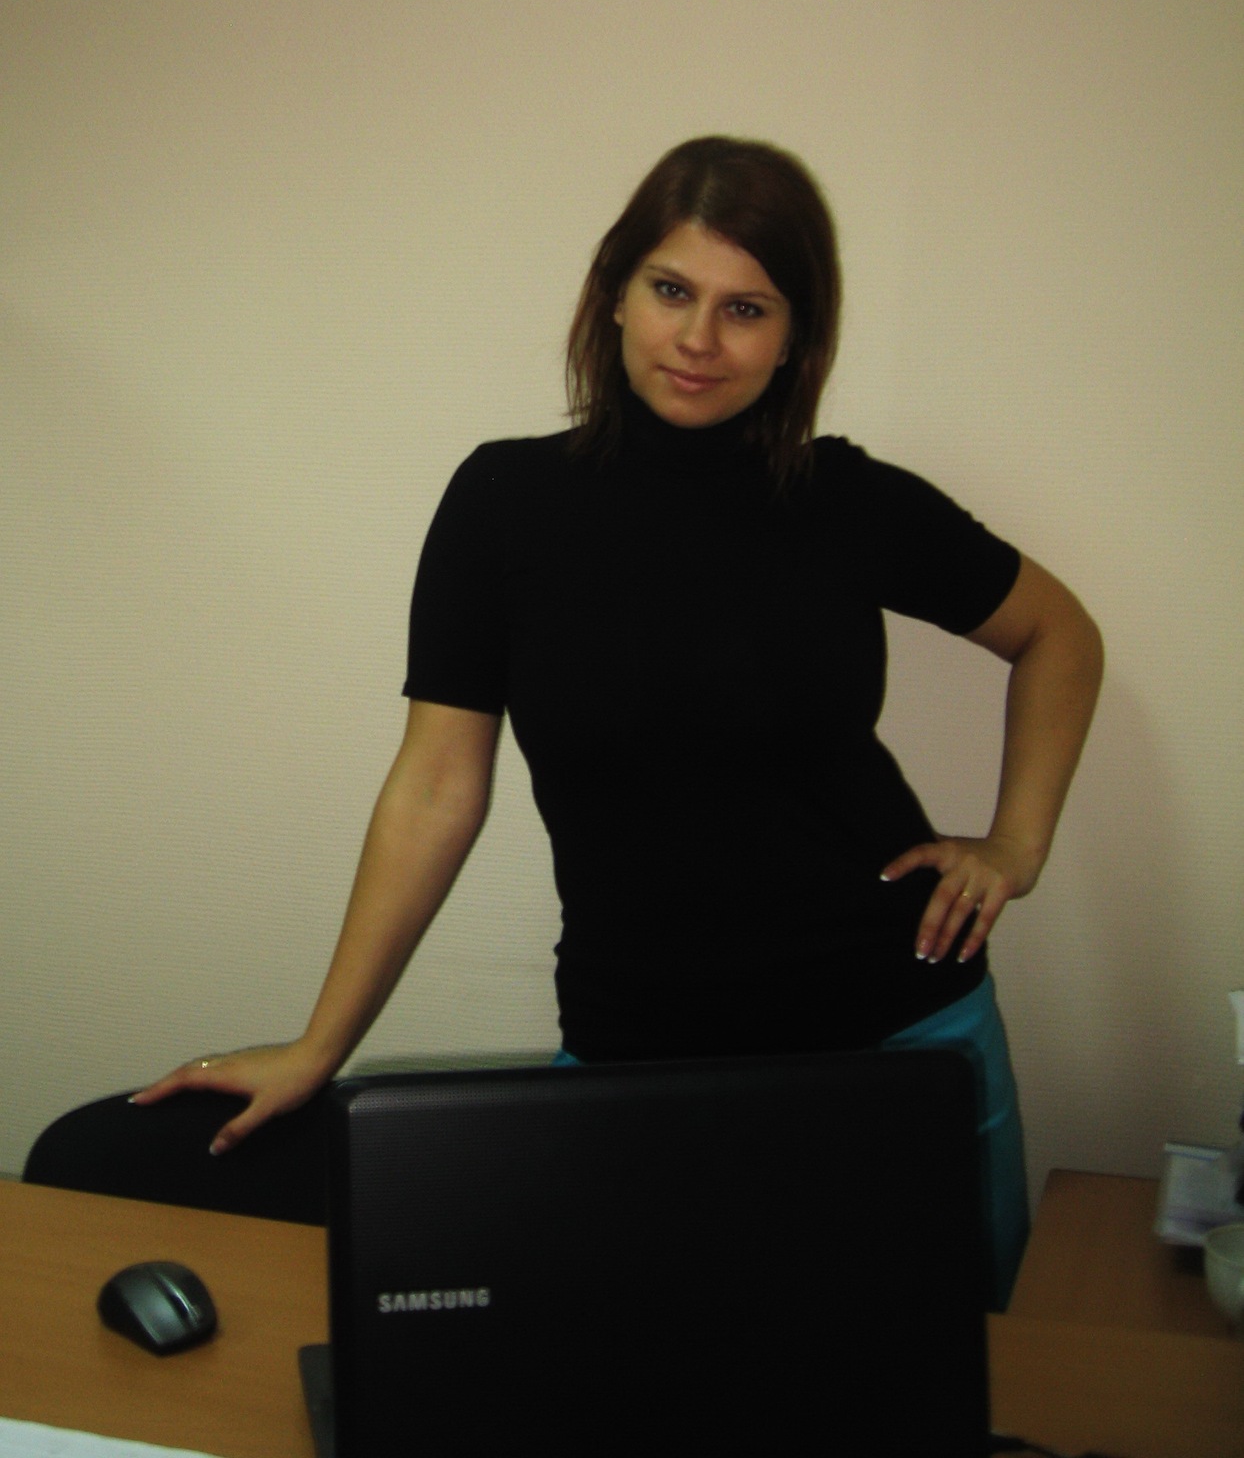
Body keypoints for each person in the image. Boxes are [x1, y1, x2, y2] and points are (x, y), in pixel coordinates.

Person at [29, 137, 1102, 1306]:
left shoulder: (848, 500)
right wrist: (320, 1041)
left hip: (901, 1032)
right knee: (638, 1368)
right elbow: (436, 785)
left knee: (957, 1372)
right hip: (635, 1053)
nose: (698, 338)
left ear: (796, 336)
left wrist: (1015, 843)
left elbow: (1057, 633)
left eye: (745, 307)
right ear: (613, 293)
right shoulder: (504, 503)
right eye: (671, 289)